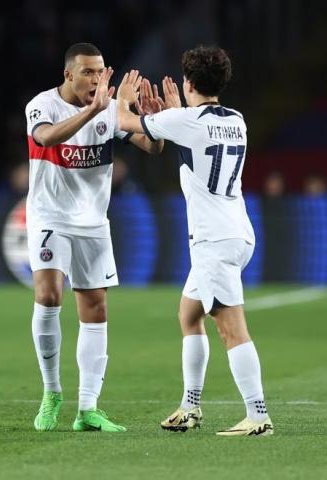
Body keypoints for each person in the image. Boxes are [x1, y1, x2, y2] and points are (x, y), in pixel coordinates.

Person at [115, 46, 273, 436]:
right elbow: (191, 137)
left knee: (231, 327)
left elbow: (123, 121)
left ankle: (258, 415)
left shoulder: (185, 120)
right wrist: (170, 115)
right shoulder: (237, 120)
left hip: (213, 239)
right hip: (238, 230)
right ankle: (190, 407)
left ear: (187, 83)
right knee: (189, 314)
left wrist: (123, 98)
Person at [25, 42, 163, 432]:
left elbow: (152, 147)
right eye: (87, 72)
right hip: (50, 216)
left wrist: (152, 120)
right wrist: (93, 110)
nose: (96, 79)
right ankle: (52, 392)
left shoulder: (111, 109)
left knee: (96, 308)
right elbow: (46, 138)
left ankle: (88, 408)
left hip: (93, 223)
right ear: (68, 74)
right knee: (48, 295)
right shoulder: (43, 105)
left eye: (100, 72)